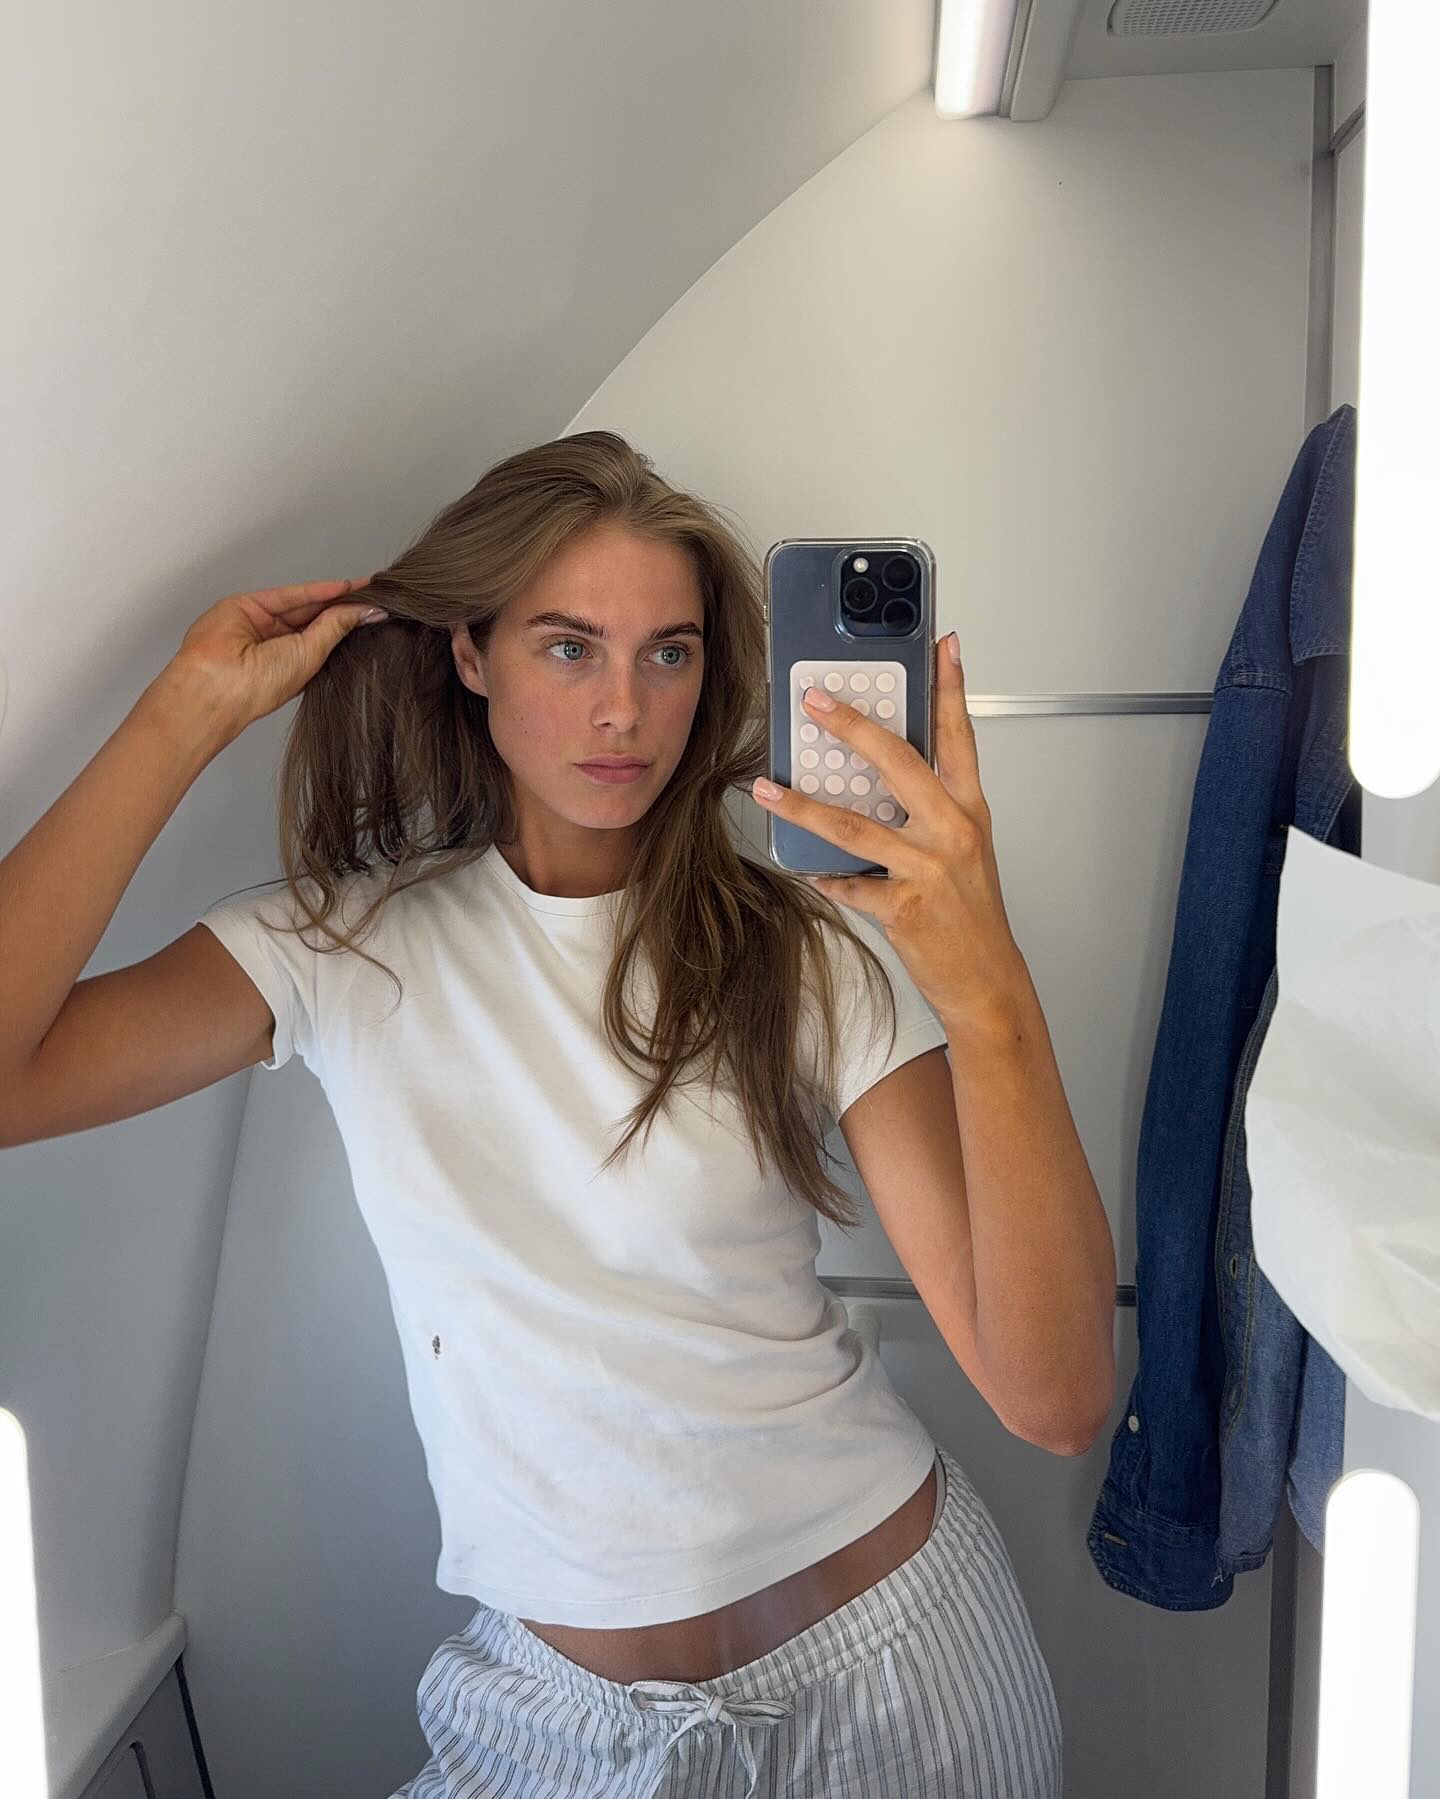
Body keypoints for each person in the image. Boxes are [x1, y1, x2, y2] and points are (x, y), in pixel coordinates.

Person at [0, 431, 1113, 1796]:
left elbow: (1056, 1397)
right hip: (559, 1722)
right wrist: (186, 711)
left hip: (899, 1672)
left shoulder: (803, 955)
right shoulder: (338, 947)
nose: (624, 711)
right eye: (569, 647)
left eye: (668, 653)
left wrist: (986, 980)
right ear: (471, 654)